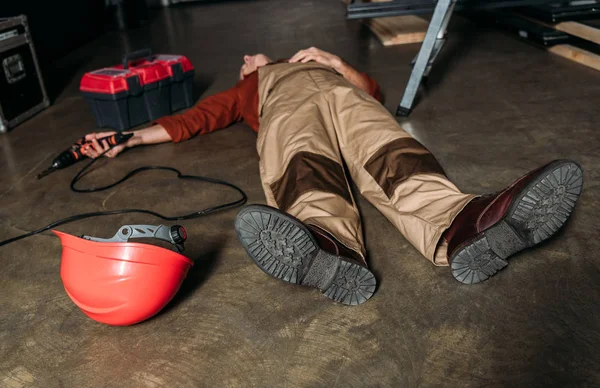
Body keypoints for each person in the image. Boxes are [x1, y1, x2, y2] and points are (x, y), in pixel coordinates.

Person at [86, 47, 584, 306]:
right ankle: (329, 248)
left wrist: (335, 63)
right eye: (244, 61)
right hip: (288, 109)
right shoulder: (247, 89)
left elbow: (373, 92)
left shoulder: (317, 64)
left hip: (342, 97)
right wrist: (129, 136)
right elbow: (189, 121)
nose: (246, 59)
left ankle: (462, 225)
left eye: (249, 57)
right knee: (303, 165)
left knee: (389, 148)